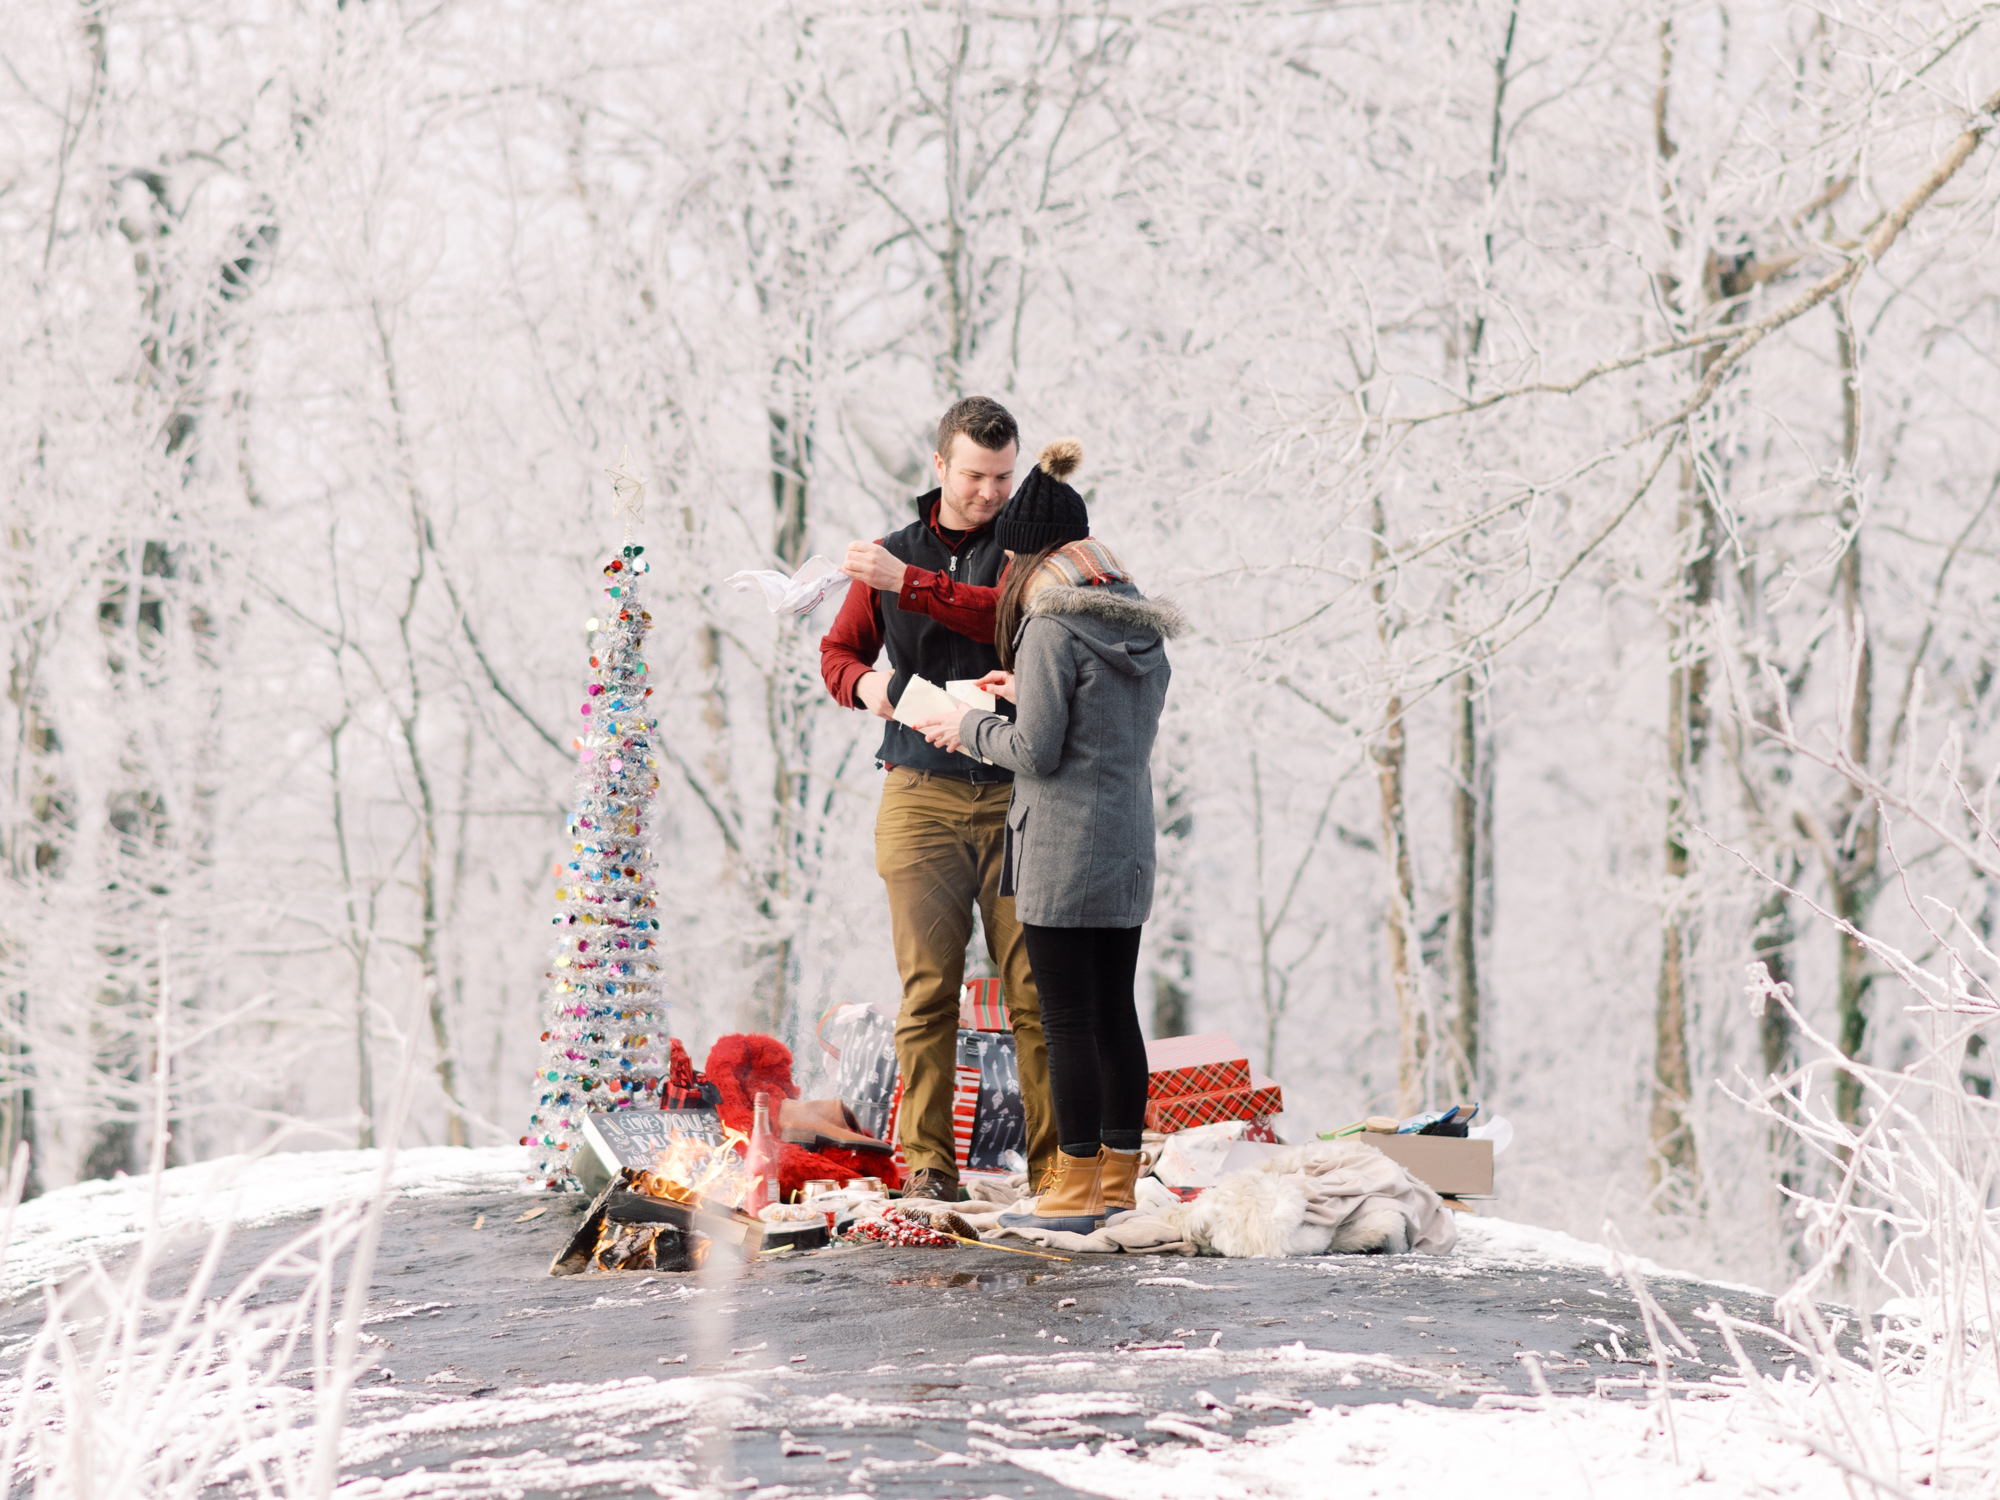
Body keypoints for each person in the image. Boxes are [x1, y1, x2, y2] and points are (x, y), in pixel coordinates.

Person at [914, 438, 1183, 1232]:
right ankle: (1120, 1179)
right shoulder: (1138, 630)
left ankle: (1071, 1189)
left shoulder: (1052, 629)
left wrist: (966, 724)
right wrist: (1019, 696)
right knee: (1114, 1015)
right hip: (1126, 839)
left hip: (1062, 848)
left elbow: (1036, 752)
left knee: (1064, 1019)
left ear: (1031, 559)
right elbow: (1096, 730)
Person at [819, 396, 1056, 1202]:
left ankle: (1056, 1170)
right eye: (975, 476)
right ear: (939, 468)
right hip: (917, 796)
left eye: (1003, 475)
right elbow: (837, 653)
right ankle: (928, 1167)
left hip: (1019, 799)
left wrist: (912, 586)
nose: (991, 492)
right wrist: (868, 687)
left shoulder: (1030, 555)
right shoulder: (890, 554)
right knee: (928, 993)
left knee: (1036, 994)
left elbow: (1010, 616)